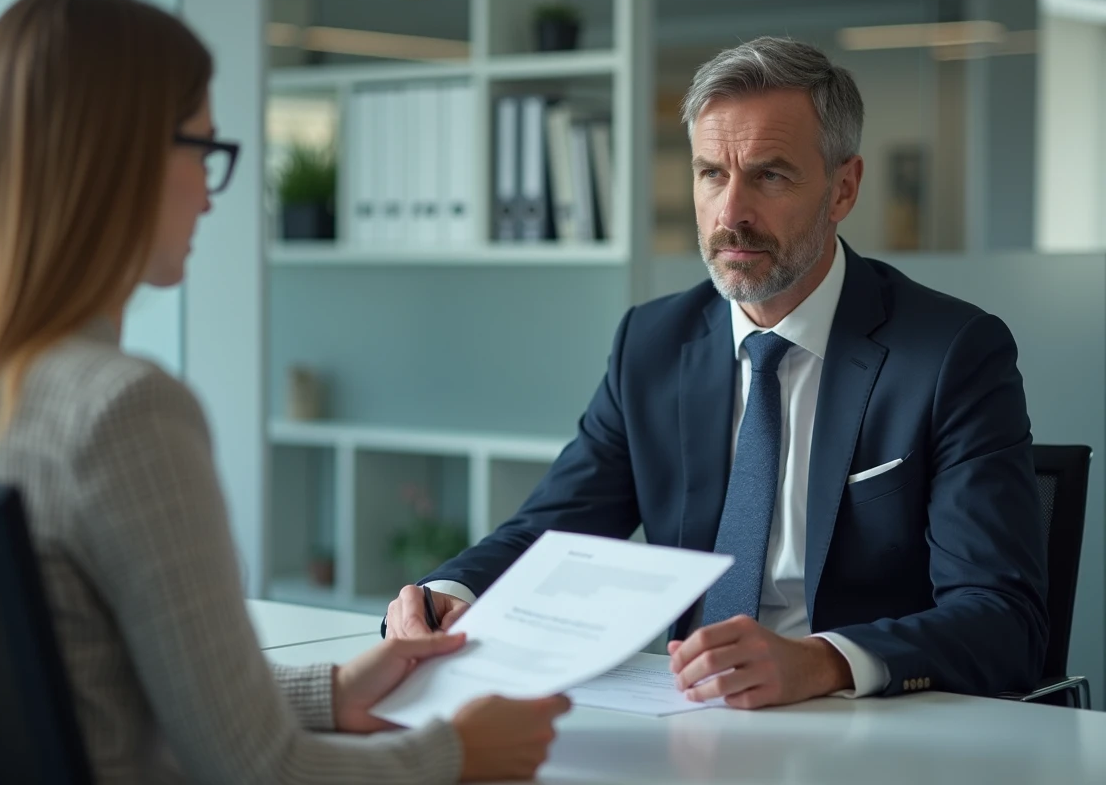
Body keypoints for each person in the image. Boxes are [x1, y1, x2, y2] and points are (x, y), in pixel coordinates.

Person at [0, 0, 569, 783]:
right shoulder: (118, 411)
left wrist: (330, 690)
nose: (210, 194)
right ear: (119, 160)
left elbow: (91, 675)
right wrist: (458, 752)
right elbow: (258, 769)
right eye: (202, 149)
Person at [386, 36, 1049, 709]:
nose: (731, 214)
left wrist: (823, 662)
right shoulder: (652, 344)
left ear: (843, 188)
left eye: (770, 176)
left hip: (866, 723)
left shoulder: (950, 354)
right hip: (684, 711)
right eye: (711, 174)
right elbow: (553, 532)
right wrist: (447, 593)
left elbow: (1003, 618)